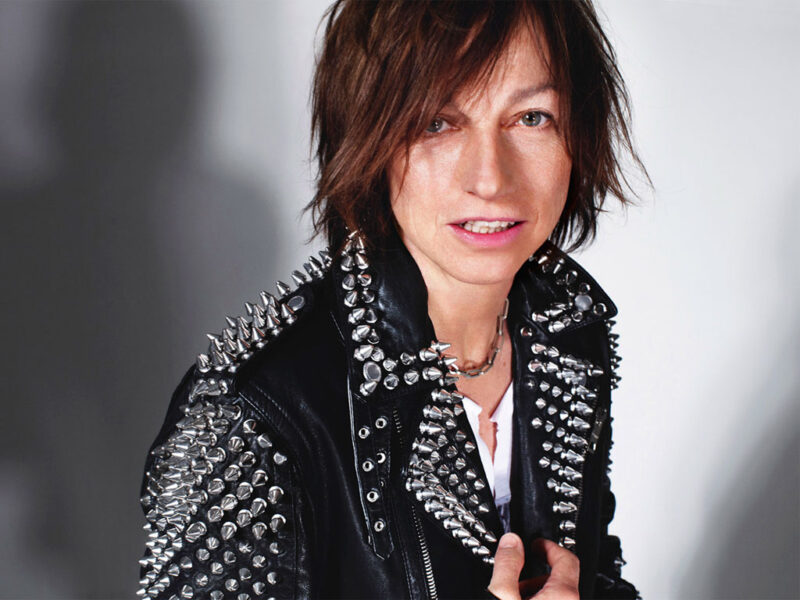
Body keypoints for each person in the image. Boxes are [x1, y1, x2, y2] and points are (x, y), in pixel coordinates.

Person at [137, 1, 647, 598]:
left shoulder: (566, 336)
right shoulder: (252, 410)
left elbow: (594, 573)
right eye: (437, 123)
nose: (490, 178)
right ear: (367, 138)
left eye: (531, 118)